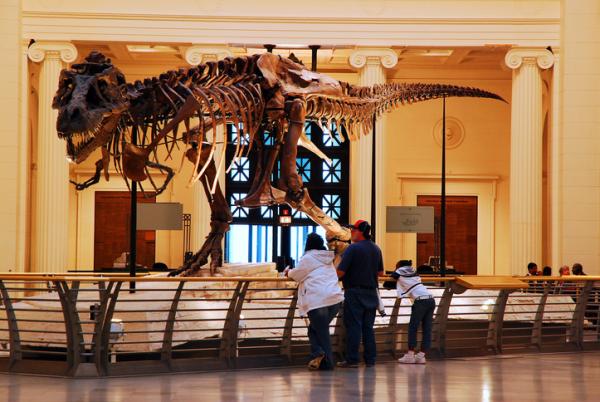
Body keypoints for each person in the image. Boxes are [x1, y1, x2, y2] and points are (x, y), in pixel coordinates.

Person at [286, 233, 344, 371]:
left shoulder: (308, 258)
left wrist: (287, 272)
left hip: (317, 300)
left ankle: (327, 361)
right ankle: (319, 356)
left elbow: (297, 274)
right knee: (314, 329)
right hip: (334, 299)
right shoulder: (328, 258)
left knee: (321, 331)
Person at [335, 220, 384, 368]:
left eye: (353, 229)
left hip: (354, 292)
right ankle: (370, 359)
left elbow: (340, 272)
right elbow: (380, 273)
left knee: (354, 326)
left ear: (360, 232)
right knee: (368, 328)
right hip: (371, 293)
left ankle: (352, 359)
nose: (351, 232)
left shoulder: (352, 249)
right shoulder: (376, 248)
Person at [392, 260, 436, 364]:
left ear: (398, 266)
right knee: (427, 328)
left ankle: (410, 354)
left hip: (420, 301)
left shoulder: (399, 272)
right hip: (431, 299)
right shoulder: (414, 272)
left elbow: (387, 283)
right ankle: (421, 355)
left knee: (413, 327)